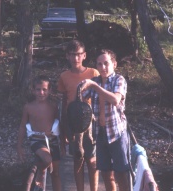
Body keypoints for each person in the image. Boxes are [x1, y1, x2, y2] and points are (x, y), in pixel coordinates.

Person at [80, 49, 130, 191]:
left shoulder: (118, 80)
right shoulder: (95, 81)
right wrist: (81, 92)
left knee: (121, 173)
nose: (103, 67)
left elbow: (115, 99)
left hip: (117, 134)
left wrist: (95, 86)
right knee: (106, 174)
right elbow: (81, 97)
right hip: (100, 133)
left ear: (114, 64)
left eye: (106, 63)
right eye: (99, 64)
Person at [57, 40, 99, 191]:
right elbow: (63, 102)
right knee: (78, 158)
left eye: (78, 55)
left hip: (90, 122)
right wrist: (63, 127)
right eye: (72, 55)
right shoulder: (64, 76)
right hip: (72, 123)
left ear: (84, 55)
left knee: (92, 160)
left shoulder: (93, 73)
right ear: (67, 56)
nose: (76, 58)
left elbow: (99, 97)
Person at [17, 75, 64, 191]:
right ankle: (41, 171)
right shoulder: (28, 107)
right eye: (38, 89)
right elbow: (23, 126)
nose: (41, 92)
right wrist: (19, 146)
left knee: (55, 173)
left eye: (44, 89)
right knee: (47, 160)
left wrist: (62, 144)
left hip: (52, 140)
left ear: (50, 90)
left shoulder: (54, 106)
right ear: (33, 90)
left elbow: (60, 124)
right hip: (37, 140)